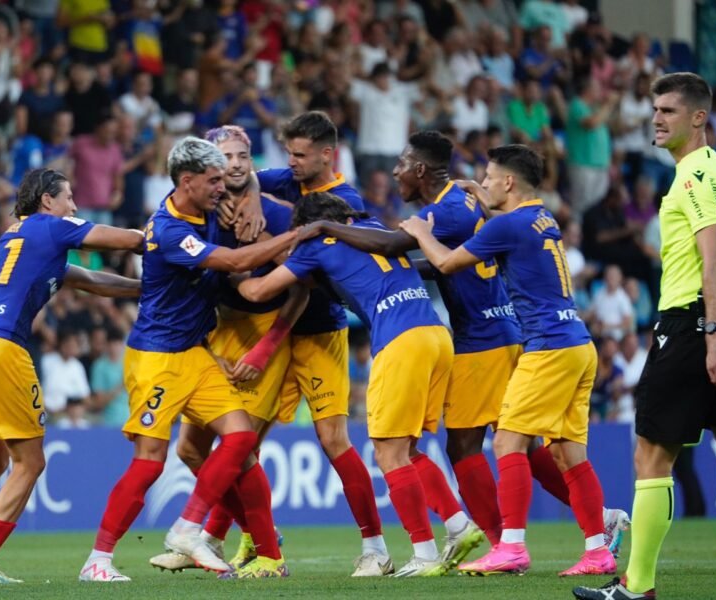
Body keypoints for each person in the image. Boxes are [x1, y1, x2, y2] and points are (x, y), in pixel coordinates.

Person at [304, 130, 628, 564]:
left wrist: (329, 230)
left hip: (485, 341)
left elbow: (396, 248)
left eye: (400, 164)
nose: (394, 172)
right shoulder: (471, 202)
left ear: (420, 169)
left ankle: (501, 543)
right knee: (528, 448)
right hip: (509, 331)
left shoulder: (447, 212)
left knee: (470, 447)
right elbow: (425, 261)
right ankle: (595, 520)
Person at [573, 73, 716, 600]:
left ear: (698, 117)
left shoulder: (696, 174)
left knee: (651, 458)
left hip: (696, 325)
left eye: (669, 110)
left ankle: (637, 586)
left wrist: (711, 332)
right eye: (654, 109)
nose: (656, 118)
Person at [78, 137, 297, 582]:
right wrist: (300, 235)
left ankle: (193, 528)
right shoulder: (170, 229)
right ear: (187, 181)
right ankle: (98, 560)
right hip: (157, 358)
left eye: (223, 180)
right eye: (214, 181)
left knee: (240, 441)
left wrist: (250, 195)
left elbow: (246, 185)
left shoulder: (209, 209)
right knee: (150, 462)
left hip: (196, 353)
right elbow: (233, 259)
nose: (222, 188)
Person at [0, 168, 145, 585]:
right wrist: (168, 240)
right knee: (31, 461)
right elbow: (129, 240)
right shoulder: (52, 227)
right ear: (47, 201)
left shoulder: (14, 240)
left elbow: (92, 279)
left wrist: (145, 289)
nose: (74, 207)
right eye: (69, 198)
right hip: (0, 347)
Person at [238, 191, 481, 577]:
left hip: (400, 340)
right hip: (436, 335)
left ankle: (426, 554)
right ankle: (457, 525)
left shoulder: (316, 244)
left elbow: (257, 290)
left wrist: (232, 268)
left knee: (388, 453)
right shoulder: (372, 228)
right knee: (409, 449)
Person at [399, 144, 613, 577]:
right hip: (578, 342)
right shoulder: (542, 215)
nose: (484, 181)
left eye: (490, 175)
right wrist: (480, 190)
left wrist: (420, 232)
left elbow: (444, 262)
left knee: (507, 442)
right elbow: (504, 226)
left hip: (548, 347)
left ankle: (510, 546)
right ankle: (598, 550)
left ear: (509, 182)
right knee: (569, 453)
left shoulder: (508, 225)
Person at [148, 125, 310, 576]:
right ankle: (239, 535)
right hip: (219, 332)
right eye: (223, 161)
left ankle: (252, 548)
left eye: (241, 158)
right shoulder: (205, 214)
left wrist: (266, 347)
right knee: (190, 450)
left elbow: (301, 290)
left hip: (265, 334)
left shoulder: (275, 215)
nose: (232, 168)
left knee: (240, 447)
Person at [245, 111, 393, 576]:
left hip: (321, 331)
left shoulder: (343, 203)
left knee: (332, 439)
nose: (290, 162)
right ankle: (256, 543)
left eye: (299, 154)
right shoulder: (291, 180)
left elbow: (305, 276)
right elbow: (241, 176)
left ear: (327, 155)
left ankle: (376, 548)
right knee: (242, 441)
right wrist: (249, 194)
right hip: (276, 327)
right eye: (288, 152)